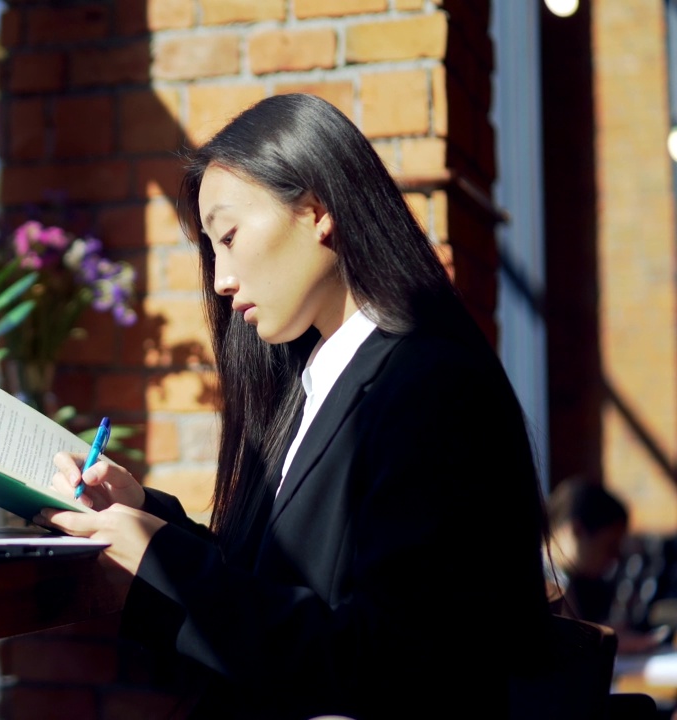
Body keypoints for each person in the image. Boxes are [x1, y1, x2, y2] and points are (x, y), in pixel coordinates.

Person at [38, 94, 552, 718]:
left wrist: (162, 560)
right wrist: (145, 515)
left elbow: (391, 663)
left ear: (316, 210)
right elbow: (274, 582)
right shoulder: (319, 381)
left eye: (228, 237)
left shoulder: (430, 386)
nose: (221, 279)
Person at [547, 477, 663, 655]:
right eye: (609, 546)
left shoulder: (571, 581)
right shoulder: (542, 585)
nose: (615, 557)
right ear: (576, 532)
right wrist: (605, 642)